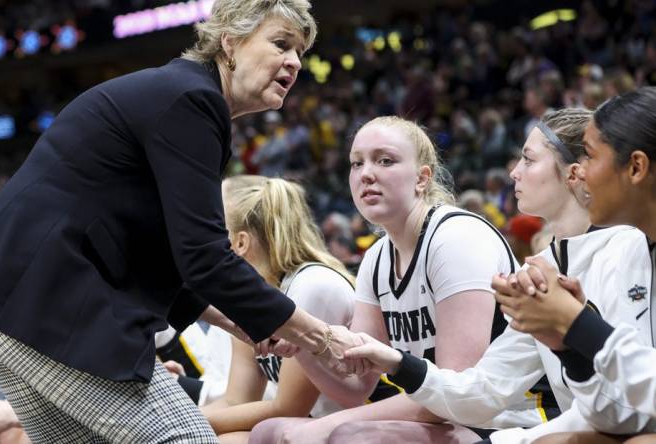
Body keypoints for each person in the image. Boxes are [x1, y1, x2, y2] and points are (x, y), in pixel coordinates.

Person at [0, 1, 362, 442]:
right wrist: (321, 337)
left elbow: (166, 255)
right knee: (187, 439)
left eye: (300, 52)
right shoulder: (193, 100)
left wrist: (245, 324)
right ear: (230, 42)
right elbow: (205, 259)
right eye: (281, 43)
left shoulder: (180, 96)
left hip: (7, 297)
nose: (294, 62)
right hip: (39, 299)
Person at [336, 109, 654, 443]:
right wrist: (398, 363)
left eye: (529, 160)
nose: (515, 172)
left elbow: (625, 411)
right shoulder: (543, 266)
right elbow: (485, 390)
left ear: (575, 172)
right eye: (356, 163)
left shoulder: (627, 249)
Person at [250, 116, 527, 444]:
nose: (366, 173)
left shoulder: (455, 238)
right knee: (268, 431)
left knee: (349, 436)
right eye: (356, 163)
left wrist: (326, 426)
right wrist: (303, 346)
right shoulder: (377, 257)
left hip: (505, 419)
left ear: (422, 178)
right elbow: (356, 387)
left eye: (385, 161)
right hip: (444, 414)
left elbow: (456, 394)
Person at [493, 87, 656, 442]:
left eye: (591, 159)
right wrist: (568, 343)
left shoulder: (624, 247)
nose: (580, 174)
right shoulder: (638, 247)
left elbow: (638, 412)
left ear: (636, 167)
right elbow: (615, 414)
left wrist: (575, 324)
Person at [202, 176, 355, 443]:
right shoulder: (249, 298)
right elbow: (235, 400)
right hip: (305, 429)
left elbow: (289, 408)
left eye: (216, 227)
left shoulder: (312, 285)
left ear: (240, 242)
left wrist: (182, 424)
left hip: (361, 427)